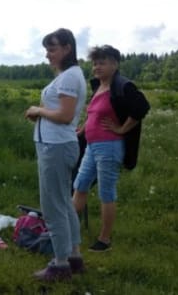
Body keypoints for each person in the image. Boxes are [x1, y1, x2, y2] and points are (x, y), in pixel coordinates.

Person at [72, 45, 150, 252]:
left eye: (102, 63)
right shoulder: (99, 85)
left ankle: (104, 240)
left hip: (110, 147)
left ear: (114, 64)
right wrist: (83, 130)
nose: (97, 67)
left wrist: (122, 129)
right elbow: (94, 114)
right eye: (95, 63)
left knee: (106, 192)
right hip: (91, 145)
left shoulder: (122, 85)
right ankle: (69, 229)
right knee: (80, 185)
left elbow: (142, 107)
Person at [25, 28, 87, 281]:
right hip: (56, 144)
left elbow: (65, 115)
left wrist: (38, 110)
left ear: (67, 49)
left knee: (53, 205)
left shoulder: (69, 77)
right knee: (63, 201)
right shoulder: (69, 76)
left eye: (52, 49)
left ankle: (60, 264)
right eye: (47, 50)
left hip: (56, 147)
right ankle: (74, 257)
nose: (47, 55)